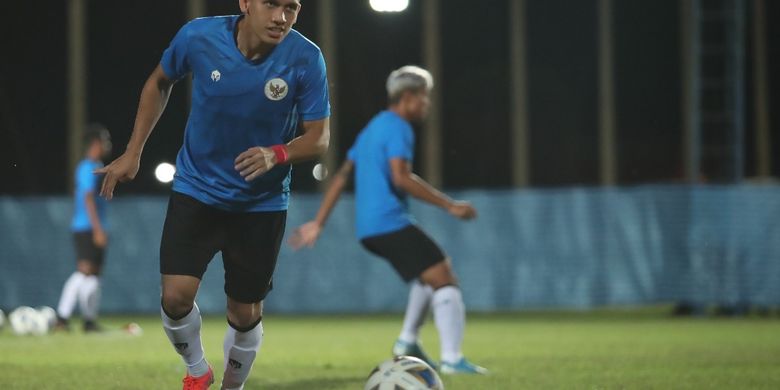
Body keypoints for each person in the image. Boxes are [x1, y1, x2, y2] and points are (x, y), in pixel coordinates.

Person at [96, 0, 330, 388]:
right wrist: (133, 151)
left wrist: (278, 153)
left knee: (244, 313)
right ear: (246, 3)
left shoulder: (306, 57)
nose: (281, 18)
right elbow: (159, 81)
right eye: (272, 4)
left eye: (291, 7)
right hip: (197, 190)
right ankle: (197, 371)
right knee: (175, 298)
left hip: (261, 203)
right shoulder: (199, 36)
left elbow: (319, 137)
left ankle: (231, 387)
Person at [289, 65, 487, 375]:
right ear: (408, 97)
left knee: (426, 277)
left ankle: (407, 342)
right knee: (444, 278)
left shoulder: (373, 127)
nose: (427, 104)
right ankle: (452, 359)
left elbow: (341, 176)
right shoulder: (398, 127)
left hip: (369, 229)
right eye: (424, 97)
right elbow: (401, 177)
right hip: (388, 222)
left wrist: (319, 222)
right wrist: (450, 206)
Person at [55, 124, 112, 333]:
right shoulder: (88, 167)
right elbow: (87, 197)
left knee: (94, 275)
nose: (108, 144)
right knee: (84, 271)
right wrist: (97, 229)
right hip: (86, 227)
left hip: (93, 227)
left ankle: (89, 321)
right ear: (96, 143)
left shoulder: (95, 165)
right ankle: (61, 318)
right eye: (105, 140)